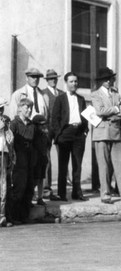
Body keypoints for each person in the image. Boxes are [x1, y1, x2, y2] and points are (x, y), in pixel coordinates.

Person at [91, 67, 121, 204]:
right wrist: (116, 109)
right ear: (100, 81)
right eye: (104, 79)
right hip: (101, 134)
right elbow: (99, 111)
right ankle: (105, 194)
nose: (108, 81)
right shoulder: (95, 94)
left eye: (109, 78)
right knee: (104, 165)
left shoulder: (116, 94)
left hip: (115, 133)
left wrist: (112, 115)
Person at [51, 72, 89, 202]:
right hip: (65, 134)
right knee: (63, 165)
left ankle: (77, 192)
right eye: (71, 81)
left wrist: (85, 131)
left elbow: (85, 117)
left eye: (76, 81)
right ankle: (61, 193)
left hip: (78, 133)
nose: (74, 84)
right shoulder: (60, 99)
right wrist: (59, 135)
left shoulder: (81, 99)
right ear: (66, 83)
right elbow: (55, 119)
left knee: (77, 165)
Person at [9, 98, 36, 224]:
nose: (29, 110)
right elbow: (10, 142)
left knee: (29, 188)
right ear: (20, 108)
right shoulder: (14, 123)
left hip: (30, 160)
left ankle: (24, 216)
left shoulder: (31, 125)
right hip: (18, 161)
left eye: (31, 107)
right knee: (19, 187)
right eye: (27, 107)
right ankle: (14, 216)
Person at [42, 69, 64, 199]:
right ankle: (46, 188)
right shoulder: (43, 93)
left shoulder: (62, 94)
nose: (53, 80)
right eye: (51, 79)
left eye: (55, 78)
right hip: (47, 129)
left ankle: (62, 189)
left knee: (63, 157)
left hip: (60, 130)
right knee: (46, 158)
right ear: (47, 80)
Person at [0, 97, 14, 227]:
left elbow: (10, 139)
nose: (1, 111)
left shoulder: (5, 122)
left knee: (3, 186)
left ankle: (2, 215)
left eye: (2, 109)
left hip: (3, 155)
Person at [31, 114, 50, 207]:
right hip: (35, 160)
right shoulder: (33, 134)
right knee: (35, 179)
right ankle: (31, 196)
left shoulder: (44, 134)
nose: (43, 126)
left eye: (44, 124)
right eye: (41, 125)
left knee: (41, 178)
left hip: (43, 159)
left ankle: (40, 197)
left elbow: (48, 145)